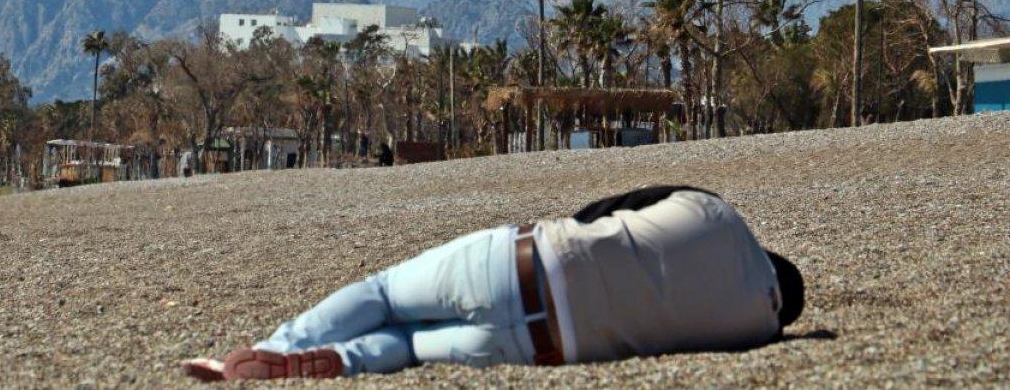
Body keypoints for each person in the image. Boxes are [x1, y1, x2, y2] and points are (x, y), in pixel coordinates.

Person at [183, 186, 804, 381]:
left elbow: (604, 210)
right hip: (540, 350)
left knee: (385, 294)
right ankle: (336, 364)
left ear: (769, 254)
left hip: (524, 264)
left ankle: (271, 349)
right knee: (409, 347)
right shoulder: (757, 331)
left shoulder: (719, 213)